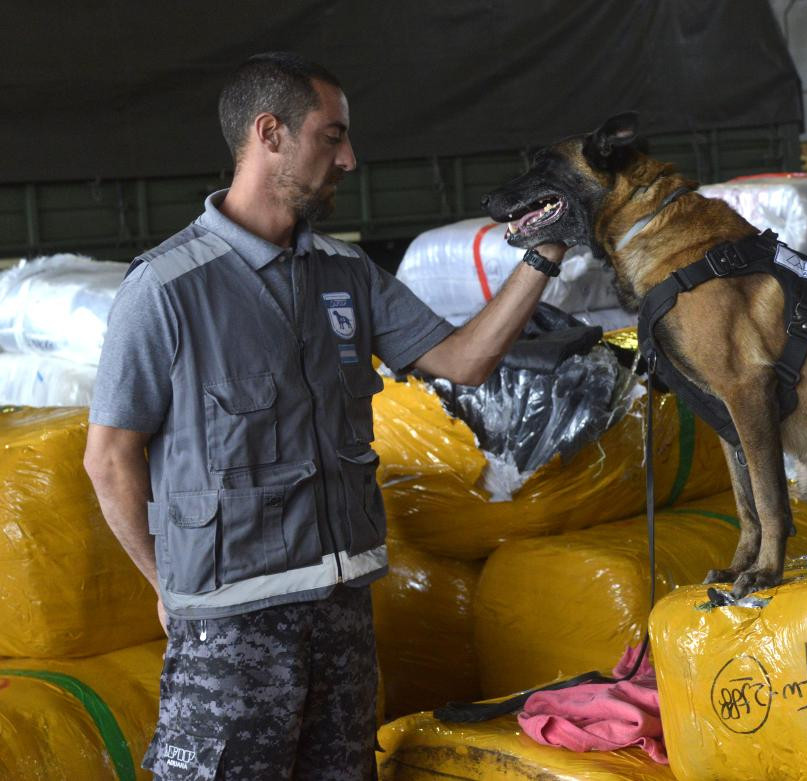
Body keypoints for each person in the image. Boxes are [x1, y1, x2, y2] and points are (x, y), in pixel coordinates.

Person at [83, 52, 566, 780]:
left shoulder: (345, 275)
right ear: (270, 133)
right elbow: (109, 455)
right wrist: (164, 586)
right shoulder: (167, 289)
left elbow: (464, 360)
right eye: (331, 136)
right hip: (231, 629)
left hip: (340, 616)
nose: (349, 158)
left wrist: (545, 255)